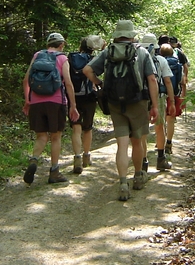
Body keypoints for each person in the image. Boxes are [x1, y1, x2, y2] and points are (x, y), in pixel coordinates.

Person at [83, 20, 159, 201]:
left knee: (122, 144)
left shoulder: (107, 52)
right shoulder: (141, 52)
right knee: (138, 141)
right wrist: (155, 106)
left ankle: (123, 182)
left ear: (117, 35)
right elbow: (152, 79)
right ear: (132, 35)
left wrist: (100, 84)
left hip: (115, 103)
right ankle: (139, 175)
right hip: (138, 102)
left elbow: (87, 70)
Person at [22, 32, 79, 185]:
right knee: (56, 137)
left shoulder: (37, 55)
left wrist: (28, 100)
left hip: (36, 102)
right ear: (61, 45)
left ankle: (34, 159)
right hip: (56, 103)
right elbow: (68, 83)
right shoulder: (62, 58)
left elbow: (26, 80)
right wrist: (73, 105)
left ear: (48, 44)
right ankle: (54, 172)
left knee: (41, 136)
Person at [138, 34, 175, 172]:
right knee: (160, 128)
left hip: (140, 98)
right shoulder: (160, 60)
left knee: (142, 131)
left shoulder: (137, 59)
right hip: (158, 97)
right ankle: (161, 159)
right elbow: (167, 82)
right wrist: (171, 101)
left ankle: (143, 161)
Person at [68, 36, 103, 171]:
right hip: (88, 96)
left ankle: (76, 158)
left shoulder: (70, 58)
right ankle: (86, 157)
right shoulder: (93, 60)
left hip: (73, 97)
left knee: (76, 128)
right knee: (87, 128)